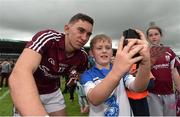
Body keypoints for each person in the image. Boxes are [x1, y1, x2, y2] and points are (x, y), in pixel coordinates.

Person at [8, 13, 94, 116]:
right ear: (67, 29)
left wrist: (75, 78)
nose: (84, 38)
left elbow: (81, 76)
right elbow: (20, 73)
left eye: (88, 34)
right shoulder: (48, 38)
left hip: (53, 93)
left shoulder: (82, 56)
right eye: (81, 30)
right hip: (31, 90)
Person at [80, 32, 151, 116]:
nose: (104, 51)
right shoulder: (87, 75)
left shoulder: (123, 71)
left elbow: (139, 87)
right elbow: (94, 100)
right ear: (91, 53)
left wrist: (145, 62)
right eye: (99, 48)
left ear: (112, 52)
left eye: (108, 48)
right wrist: (118, 71)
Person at [146, 26, 180, 116]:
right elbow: (143, 72)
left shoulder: (169, 51)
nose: (153, 37)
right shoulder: (146, 52)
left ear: (160, 35)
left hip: (170, 94)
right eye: (150, 35)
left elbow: (174, 72)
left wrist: (179, 88)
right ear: (148, 38)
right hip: (153, 94)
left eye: (156, 34)